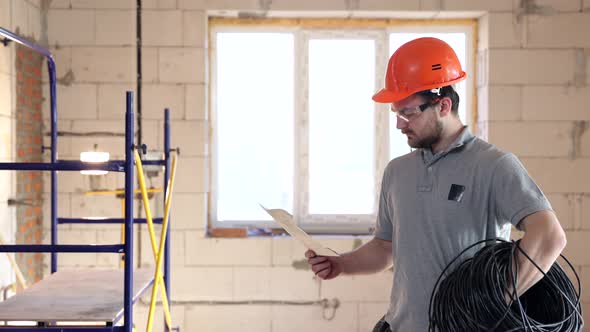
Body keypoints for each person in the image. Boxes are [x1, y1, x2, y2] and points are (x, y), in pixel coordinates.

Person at [305, 37, 567, 331]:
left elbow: (549, 237)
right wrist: (341, 264)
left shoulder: (493, 165)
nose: (399, 124)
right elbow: (385, 247)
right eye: (396, 114)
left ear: (442, 105)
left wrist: (494, 303)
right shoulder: (397, 172)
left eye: (408, 113)